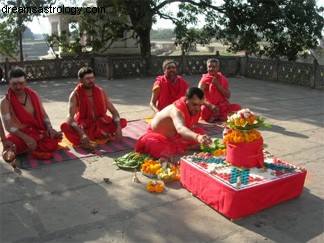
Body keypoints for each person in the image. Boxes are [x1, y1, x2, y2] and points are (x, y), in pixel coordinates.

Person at [0, 66, 62, 159]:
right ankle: (36, 143)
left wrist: (49, 127)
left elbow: (44, 115)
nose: (18, 87)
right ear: (9, 83)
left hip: (36, 131)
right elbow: (8, 126)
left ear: (26, 81)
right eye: (14, 84)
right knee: (10, 146)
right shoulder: (5, 102)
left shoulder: (34, 95)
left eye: (21, 83)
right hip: (19, 134)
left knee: (51, 143)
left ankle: (33, 146)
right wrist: (25, 137)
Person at [135, 87, 212, 159]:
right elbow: (180, 128)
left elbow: (189, 126)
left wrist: (198, 136)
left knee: (200, 132)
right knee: (158, 148)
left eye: (200, 105)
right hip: (158, 136)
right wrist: (197, 137)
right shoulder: (176, 110)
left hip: (176, 136)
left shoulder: (194, 109)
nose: (197, 108)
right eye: (194, 104)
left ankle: (185, 147)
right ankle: (186, 147)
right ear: (186, 99)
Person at [60, 66, 127, 148]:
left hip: (102, 123)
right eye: (87, 79)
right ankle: (100, 134)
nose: (91, 81)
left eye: (92, 78)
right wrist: (82, 134)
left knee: (122, 122)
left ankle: (97, 134)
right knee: (64, 127)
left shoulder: (101, 91)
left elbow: (114, 111)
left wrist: (118, 128)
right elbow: (70, 117)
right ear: (80, 80)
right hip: (86, 127)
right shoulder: (75, 94)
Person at [198, 58, 241, 122]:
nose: (211, 69)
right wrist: (210, 105)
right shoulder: (204, 80)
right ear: (207, 68)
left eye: (213, 67)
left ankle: (217, 117)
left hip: (222, 105)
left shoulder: (223, 79)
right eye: (209, 67)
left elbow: (228, 96)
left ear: (218, 68)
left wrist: (217, 85)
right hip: (209, 106)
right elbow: (198, 96)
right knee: (203, 110)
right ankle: (219, 117)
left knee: (238, 108)